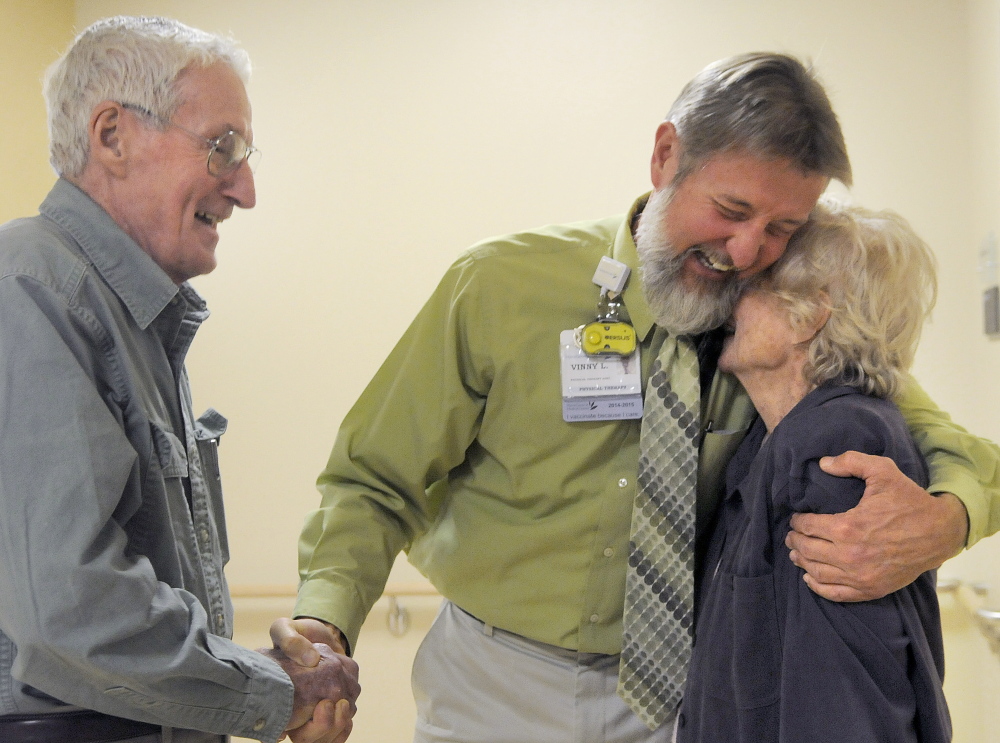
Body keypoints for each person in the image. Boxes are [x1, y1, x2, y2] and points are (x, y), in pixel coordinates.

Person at [274, 53, 1000, 742]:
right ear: (665, 158)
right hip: (493, 684)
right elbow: (372, 480)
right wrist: (325, 624)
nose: (746, 251)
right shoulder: (499, 285)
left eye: (781, 227)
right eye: (731, 208)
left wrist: (947, 520)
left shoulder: (769, 317)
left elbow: (948, 442)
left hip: (674, 695)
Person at [0, 16, 359, 743]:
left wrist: (264, 681)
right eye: (223, 147)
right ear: (112, 137)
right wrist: (273, 690)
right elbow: (74, 609)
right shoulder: (34, 290)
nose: (247, 189)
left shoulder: (131, 318)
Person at [677, 199, 950, 742]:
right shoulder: (775, 436)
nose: (729, 300)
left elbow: (842, 703)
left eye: (752, 286)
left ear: (808, 318)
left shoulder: (836, 444)